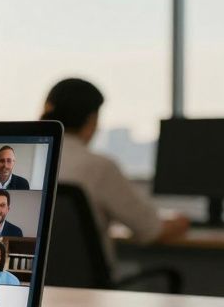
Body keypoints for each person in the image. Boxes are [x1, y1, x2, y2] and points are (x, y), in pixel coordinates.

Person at [43, 78, 188, 264]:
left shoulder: (28, 163)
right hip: (90, 292)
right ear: (92, 120)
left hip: (39, 289)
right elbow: (151, 231)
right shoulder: (98, 167)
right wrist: (182, 221)